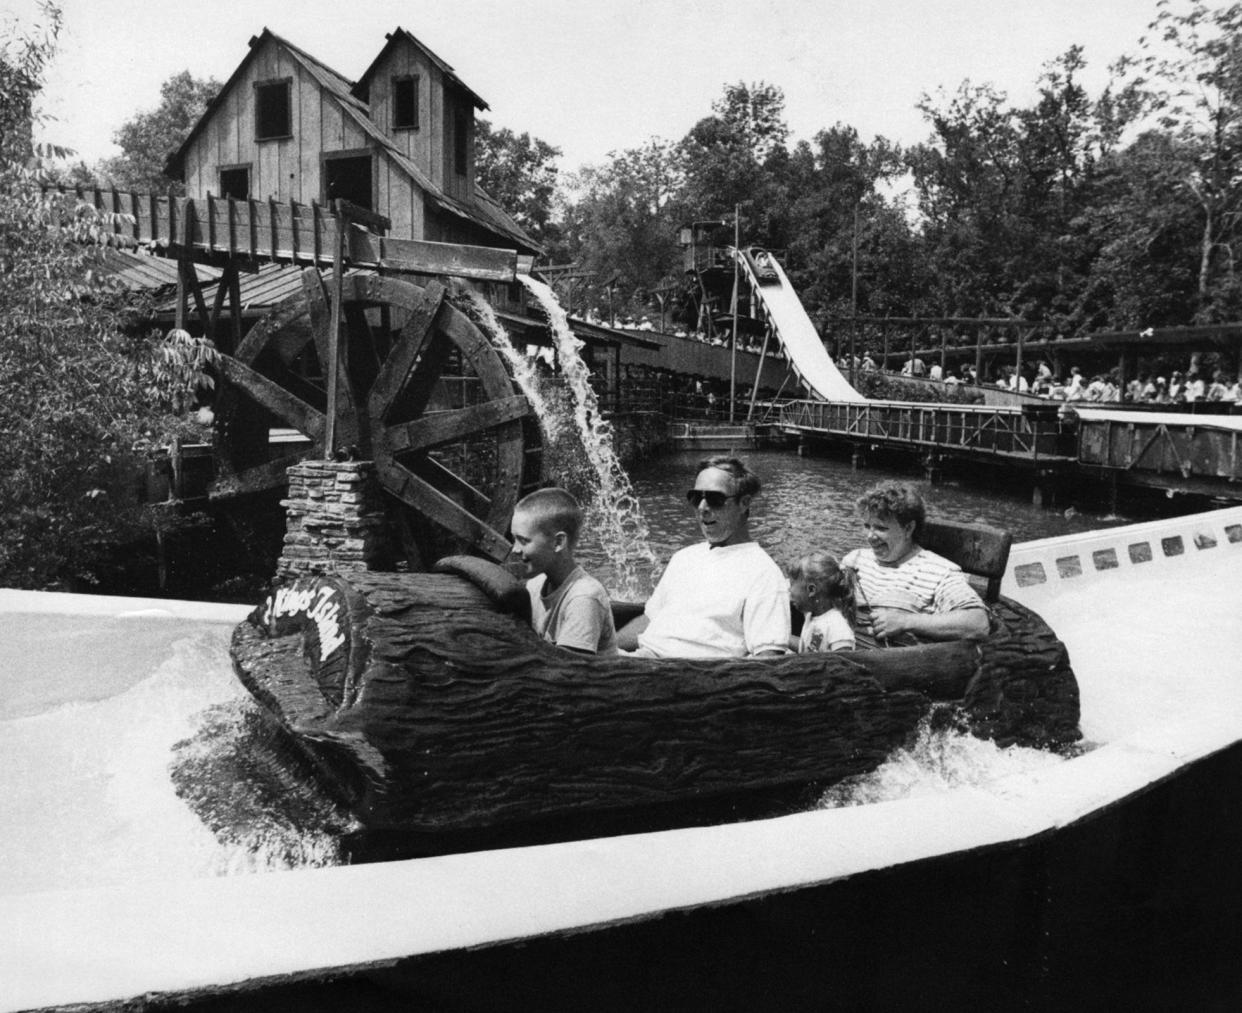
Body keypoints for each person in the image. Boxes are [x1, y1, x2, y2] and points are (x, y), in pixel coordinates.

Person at [617, 456, 790, 658]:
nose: (702, 507)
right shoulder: (684, 558)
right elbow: (649, 619)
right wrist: (602, 648)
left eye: (715, 499)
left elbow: (768, 656)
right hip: (642, 660)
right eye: (696, 498)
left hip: (694, 676)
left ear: (744, 503)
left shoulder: (763, 573)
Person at [843, 482, 990, 648]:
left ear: (908, 529)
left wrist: (905, 621)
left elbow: (978, 623)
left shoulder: (939, 572)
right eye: (867, 526)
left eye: (880, 528)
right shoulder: (855, 559)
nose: (870, 536)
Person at [510, 488, 617, 656]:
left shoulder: (584, 597)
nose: (515, 549)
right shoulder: (534, 586)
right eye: (513, 539)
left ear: (558, 542)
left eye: (523, 541)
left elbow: (570, 673)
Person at [788, 551, 857, 653]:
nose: (789, 590)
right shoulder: (812, 617)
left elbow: (844, 664)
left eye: (791, 584)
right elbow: (809, 649)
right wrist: (781, 637)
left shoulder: (837, 628)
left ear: (811, 590)